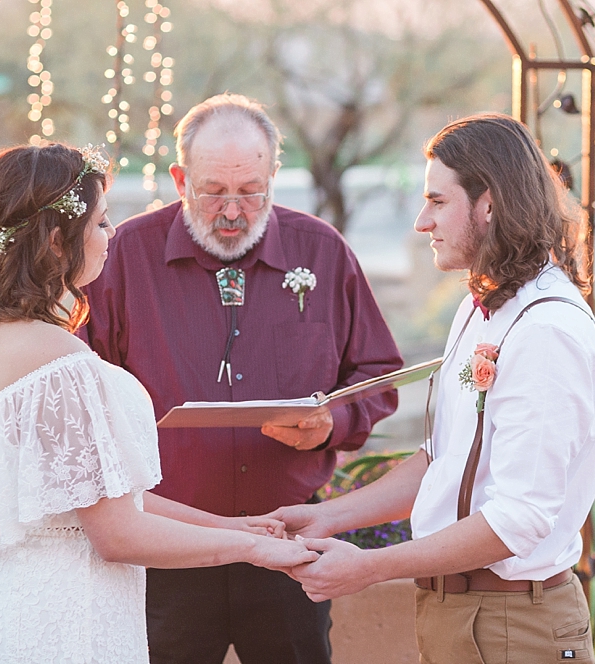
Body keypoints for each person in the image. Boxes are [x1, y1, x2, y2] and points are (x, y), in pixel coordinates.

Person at [0, 143, 318, 664]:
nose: (111, 237)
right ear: (55, 240)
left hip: (5, 609)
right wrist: (252, 550)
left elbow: (91, 496)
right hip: (67, 625)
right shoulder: (60, 362)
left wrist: (223, 525)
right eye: (102, 223)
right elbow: (117, 534)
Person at [275, 113, 595, 664]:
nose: (420, 222)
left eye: (437, 201)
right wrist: (328, 517)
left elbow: (519, 519)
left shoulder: (547, 332)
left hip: (515, 626)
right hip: (459, 615)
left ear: (489, 205)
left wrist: (368, 567)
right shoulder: (479, 308)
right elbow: (445, 459)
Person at [80, 93, 403, 664]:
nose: (233, 212)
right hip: (166, 549)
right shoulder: (124, 255)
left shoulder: (322, 252)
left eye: (252, 191)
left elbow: (378, 374)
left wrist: (332, 423)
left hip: (288, 541)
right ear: (180, 179)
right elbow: (82, 386)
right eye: (213, 192)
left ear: (274, 176)